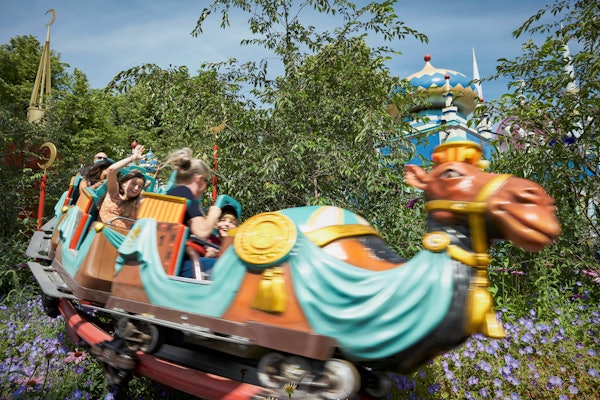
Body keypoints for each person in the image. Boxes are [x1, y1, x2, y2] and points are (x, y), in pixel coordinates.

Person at [164, 148, 221, 278]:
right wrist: (213, 215)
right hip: (179, 264)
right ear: (199, 180)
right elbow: (202, 232)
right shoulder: (185, 194)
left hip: (166, 260)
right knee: (233, 267)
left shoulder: (173, 193)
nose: (205, 188)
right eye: (207, 183)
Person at [98, 145, 147, 229]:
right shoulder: (114, 193)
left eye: (140, 186)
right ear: (124, 183)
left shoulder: (138, 202)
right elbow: (111, 170)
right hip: (103, 230)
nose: (136, 188)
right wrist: (133, 158)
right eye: (133, 184)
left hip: (122, 235)